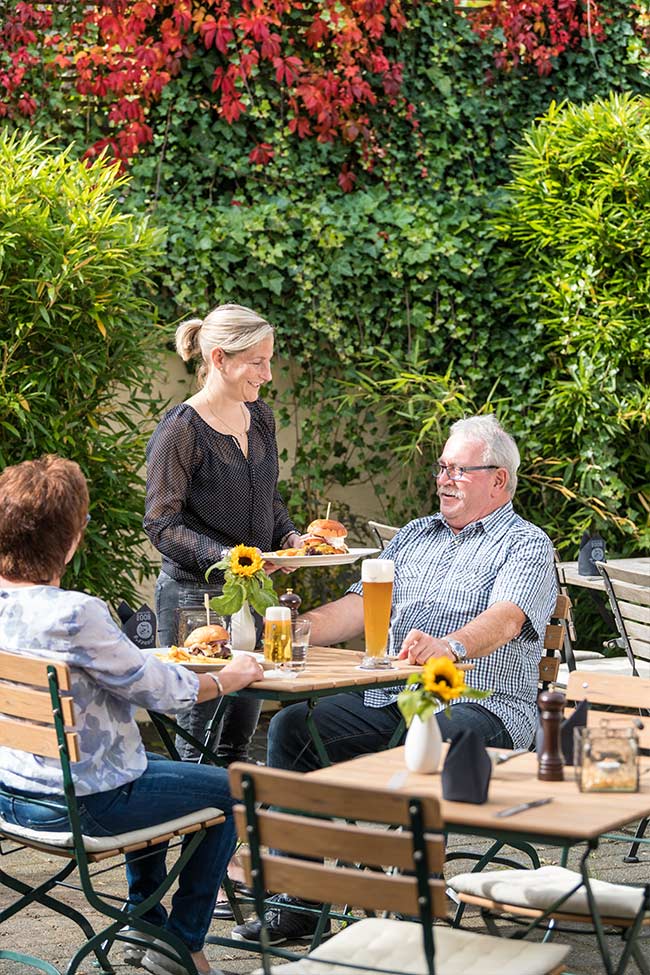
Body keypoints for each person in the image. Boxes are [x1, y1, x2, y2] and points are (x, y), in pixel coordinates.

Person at [232, 413, 558, 945]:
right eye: (442, 468)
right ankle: (301, 902)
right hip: (391, 696)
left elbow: (508, 618)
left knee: (428, 739)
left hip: (485, 704)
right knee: (292, 727)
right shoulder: (413, 535)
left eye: (460, 470)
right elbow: (360, 607)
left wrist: (449, 648)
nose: (445, 479)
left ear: (499, 479)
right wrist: (301, 627)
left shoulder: (526, 544)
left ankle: (411, 899)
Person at [0, 455, 264, 975]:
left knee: (154, 773)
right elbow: (162, 693)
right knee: (234, 788)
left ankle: (141, 923)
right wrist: (227, 678)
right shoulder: (75, 613)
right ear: (72, 539)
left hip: (9, 796)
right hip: (82, 805)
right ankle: (182, 941)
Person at [144, 303, 301, 766]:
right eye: (257, 362)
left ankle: (232, 838)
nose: (267, 374)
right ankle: (183, 837)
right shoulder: (181, 429)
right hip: (194, 603)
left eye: (268, 360)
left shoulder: (262, 418)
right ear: (218, 359)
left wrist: (290, 537)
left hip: (251, 597)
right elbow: (161, 522)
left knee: (236, 746)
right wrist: (232, 558)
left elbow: (267, 498)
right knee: (196, 746)